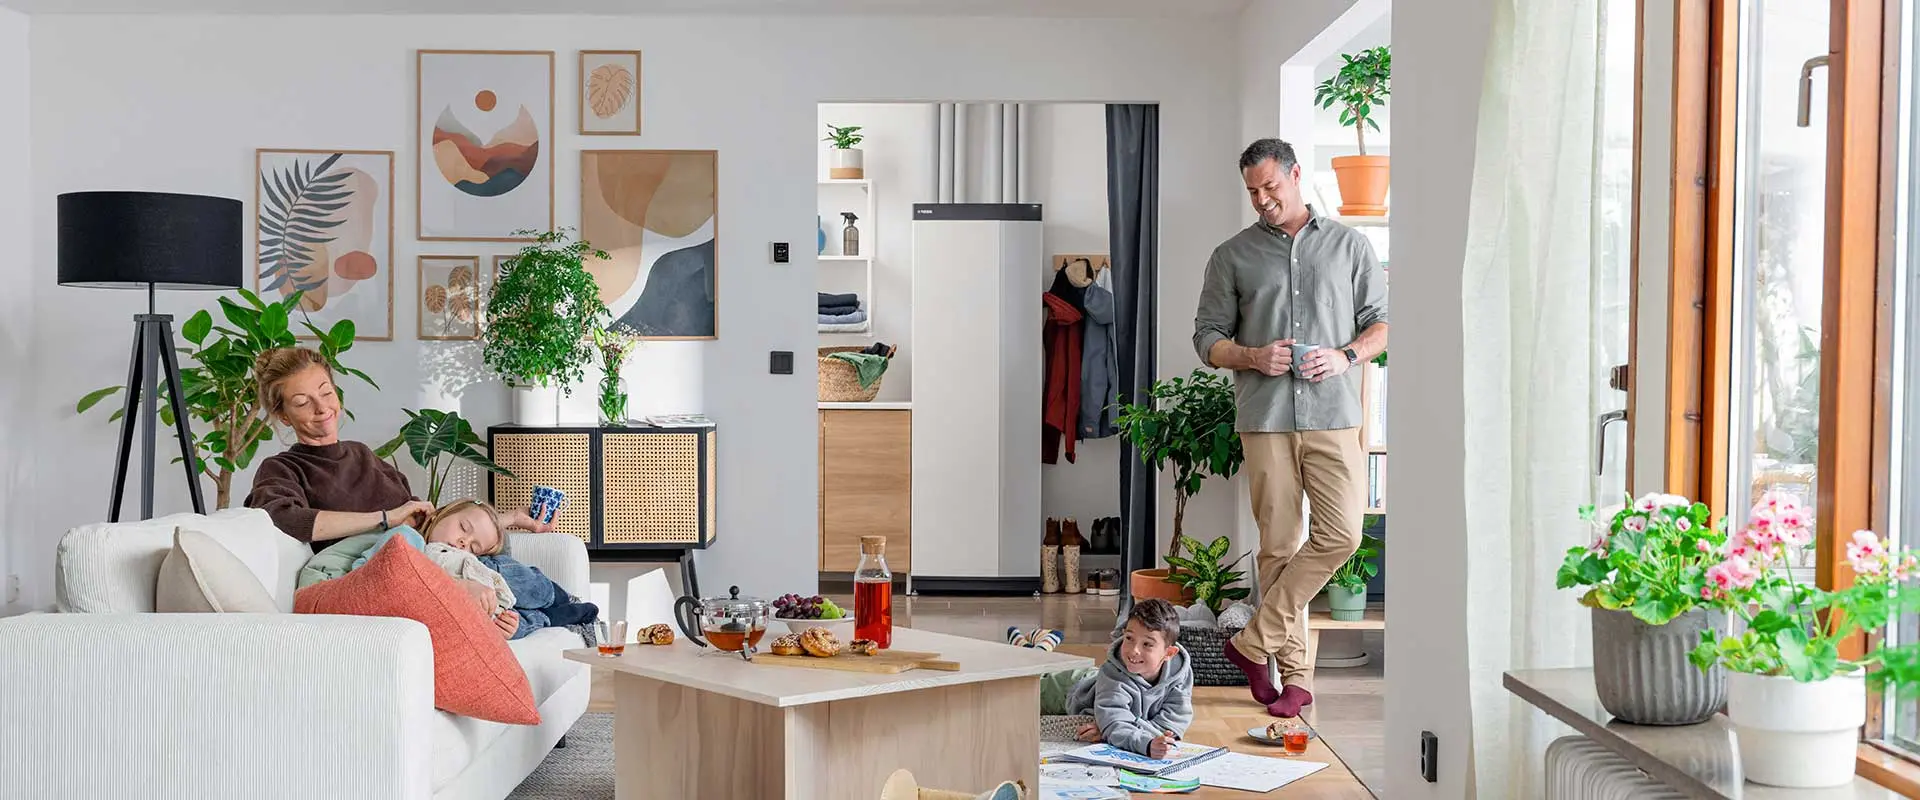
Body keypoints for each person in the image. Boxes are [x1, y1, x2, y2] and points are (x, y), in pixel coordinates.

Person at [1192, 138, 1389, 718]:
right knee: (1278, 547)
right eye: (1252, 191)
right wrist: (1253, 356)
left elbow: (1381, 324)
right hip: (1267, 419)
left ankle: (1252, 644)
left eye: (1270, 187)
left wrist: (1346, 356)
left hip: (1335, 416)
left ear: (1296, 176)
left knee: (1341, 535)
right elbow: (1206, 339)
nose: (1261, 199)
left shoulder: (1351, 246)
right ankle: (1296, 679)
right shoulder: (1231, 256)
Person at [242, 346, 555, 553]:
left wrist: (512, 518)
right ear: (283, 415)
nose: (322, 408)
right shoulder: (282, 469)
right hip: (378, 575)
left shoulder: (361, 454)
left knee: (513, 564)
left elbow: (431, 523)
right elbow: (284, 520)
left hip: (428, 559)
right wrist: (385, 518)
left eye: (326, 392)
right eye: (302, 402)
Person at [349, 499, 599, 640]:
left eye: (472, 546)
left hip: (494, 582)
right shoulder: (407, 538)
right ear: (440, 514)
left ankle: (556, 596)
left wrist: (512, 518)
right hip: (471, 604)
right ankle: (549, 618)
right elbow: (380, 576)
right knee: (507, 621)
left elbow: (475, 527)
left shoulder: (462, 552)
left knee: (492, 568)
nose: (462, 543)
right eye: (462, 529)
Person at [1038, 598, 1194, 759]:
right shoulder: (1113, 673)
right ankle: (1036, 647)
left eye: (1147, 644)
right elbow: (1115, 722)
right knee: (1020, 685)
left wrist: (1154, 736)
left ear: (1169, 653)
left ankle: (1040, 647)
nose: (1134, 650)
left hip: (1096, 679)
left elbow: (1175, 719)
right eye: (1129, 638)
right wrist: (1144, 742)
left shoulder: (1179, 672)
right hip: (1069, 688)